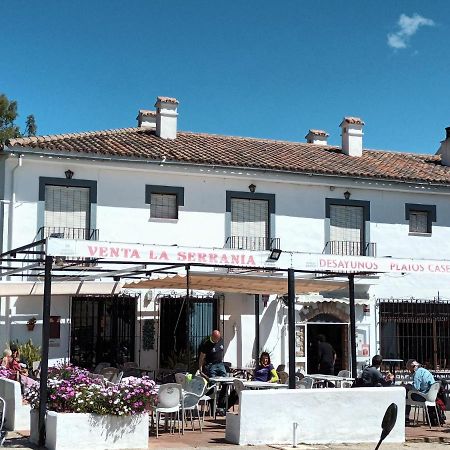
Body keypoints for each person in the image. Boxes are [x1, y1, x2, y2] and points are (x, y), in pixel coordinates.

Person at [404, 359, 436, 424]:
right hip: (432, 396)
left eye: (409, 369)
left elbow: (416, 388)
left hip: (424, 397)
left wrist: (407, 386)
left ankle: (406, 418)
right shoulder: (425, 371)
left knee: (406, 395)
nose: (409, 371)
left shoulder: (417, 373)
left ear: (413, 367)